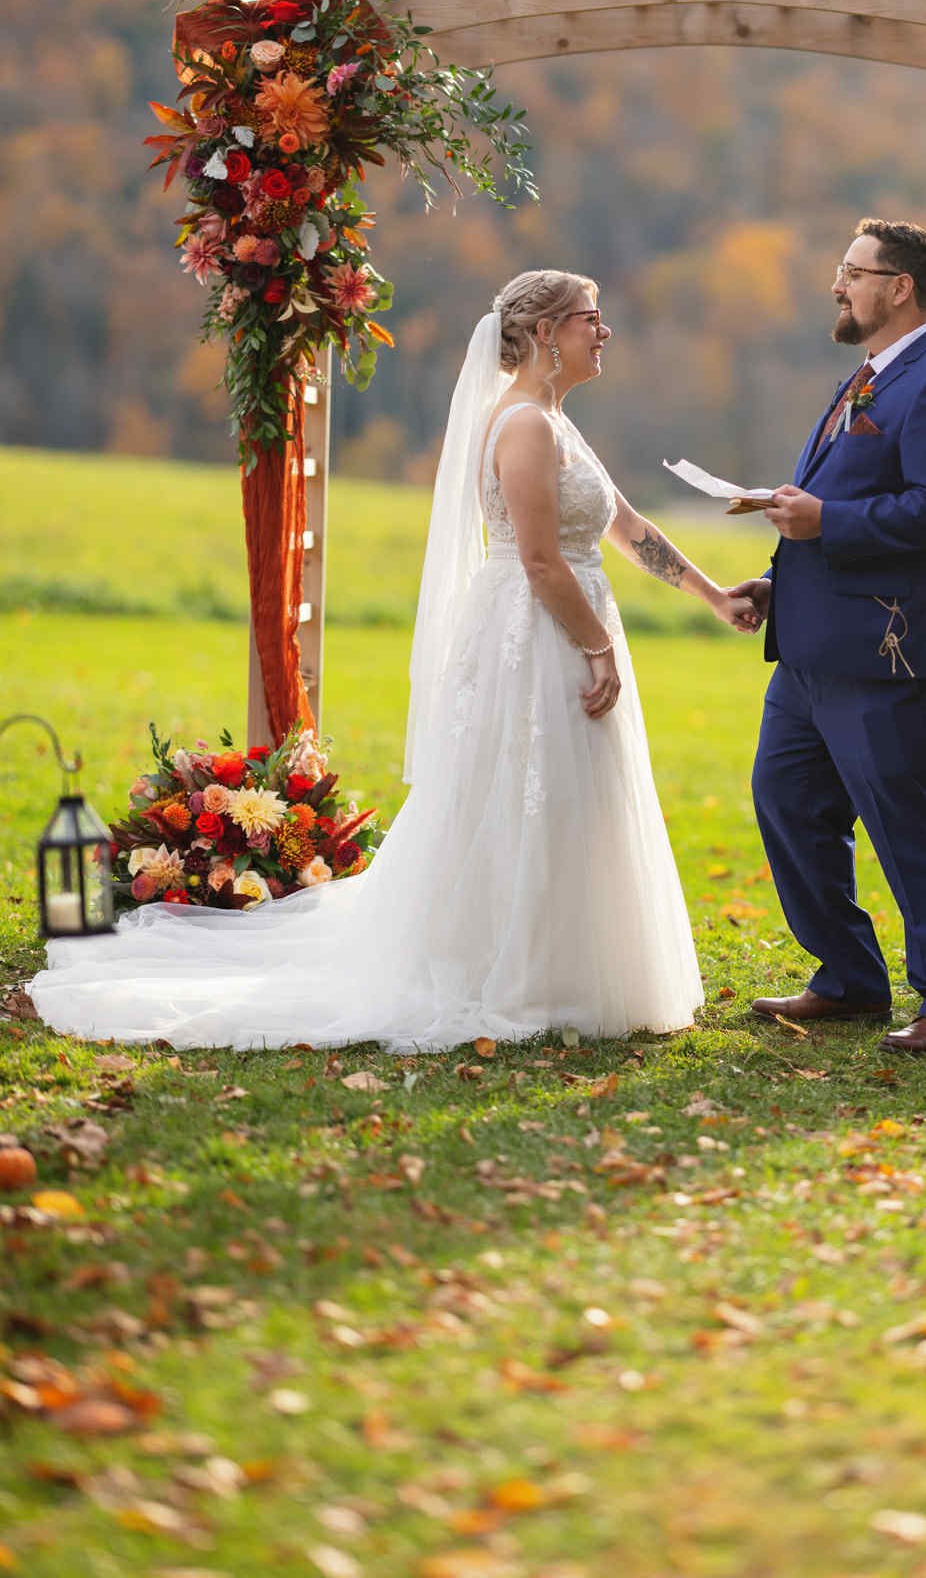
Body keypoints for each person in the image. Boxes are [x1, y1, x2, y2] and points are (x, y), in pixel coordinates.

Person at [30, 270, 753, 1051]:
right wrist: (598, 646)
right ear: (546, 332)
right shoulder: (524, 427)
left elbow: (625, 524)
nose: (603, 332)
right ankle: (511, 969)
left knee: (573, 795)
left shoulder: (556, 421)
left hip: (564, 624)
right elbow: (541, 560)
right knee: (526, 791)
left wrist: (713, 594)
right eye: (590, 319)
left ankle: (568, 964)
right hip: (535, 633)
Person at [727, 220, 926, 1057]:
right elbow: (846, 497)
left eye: (853, 271)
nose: (837, 285)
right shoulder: (868, 378)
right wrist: (784, 577)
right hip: (810, 650)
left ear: (900, 287)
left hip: (888, 650)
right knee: (788, 803)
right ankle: (847, 978)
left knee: (911, 823)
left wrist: (824, 521)